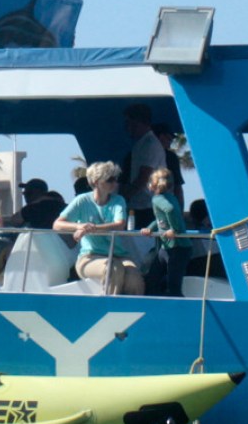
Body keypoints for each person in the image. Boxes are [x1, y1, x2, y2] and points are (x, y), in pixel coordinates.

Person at [54, 160, 144, 295]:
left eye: (116, 179)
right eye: (110, 180)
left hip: (118, 256)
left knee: (134, 277)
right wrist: (80, 226)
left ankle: (133, 311)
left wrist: (91, 228)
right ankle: (110, 307)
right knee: (113, 268)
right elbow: (57, 224)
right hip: (89, 257)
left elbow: (119, 225)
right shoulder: (82, 200)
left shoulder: (118, 200)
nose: (115, 183)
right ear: (96, 182)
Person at [140, 167, 192, 297]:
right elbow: (160, 218)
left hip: (178, 247)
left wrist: (173, 230)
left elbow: (169, 210)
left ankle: (180, 309)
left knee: (173, 284)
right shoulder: (171, 196)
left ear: (153, 184)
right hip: (166, 247)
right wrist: (150, 228)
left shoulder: (158, 199)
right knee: (153, 277)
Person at [120, 103, 164, 228]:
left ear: (141, 122)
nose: (128, 128)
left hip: (147, 206)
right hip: (139, 205)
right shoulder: (141, 144)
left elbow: (144, 177)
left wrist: (123, 197)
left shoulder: (149, 144)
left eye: (131, 124)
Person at [151, 122, 186, 209]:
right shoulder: (170, 157)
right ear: (161, 137)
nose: (170, 143)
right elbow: (178, 187)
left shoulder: (171, 157)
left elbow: (177, 186)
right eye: (169, 139)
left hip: (165, 203)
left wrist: (180, 211)